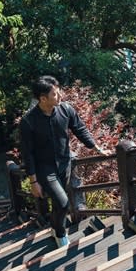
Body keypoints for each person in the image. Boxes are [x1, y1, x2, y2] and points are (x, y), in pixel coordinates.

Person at [19, 75, 105, 248]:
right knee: (63, 202)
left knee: (59, 203)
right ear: (42, 98)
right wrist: (34, 181)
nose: (60, 97)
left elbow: (80, 129)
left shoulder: (66, 110)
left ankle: (54, 226)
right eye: (55, 94)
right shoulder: (28, 122)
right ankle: (60, 234)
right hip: (45, 169)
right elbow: (27, 153)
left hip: (64, 164)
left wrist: (97, 148)